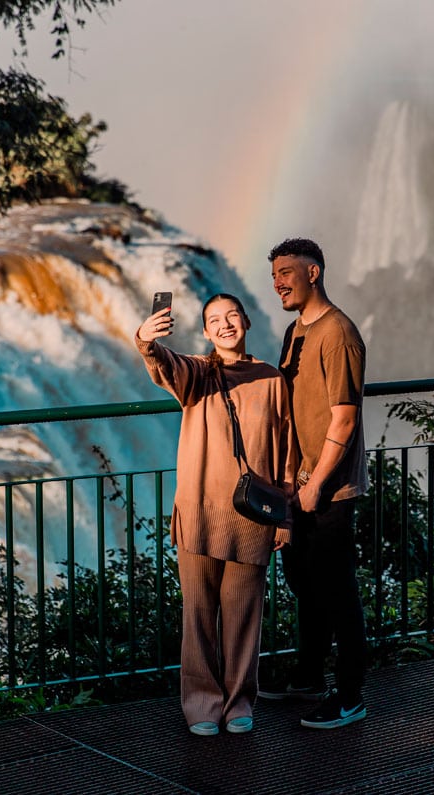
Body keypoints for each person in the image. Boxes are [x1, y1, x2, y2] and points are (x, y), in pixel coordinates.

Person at [135, 293, 295, 737]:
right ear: (205, 332)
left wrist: (285, 517)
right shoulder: (198, 374)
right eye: (214, 321)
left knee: (244, 616)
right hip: (201, 514)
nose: (225, 325)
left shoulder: (271, 379)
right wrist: (146, 342)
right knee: (199, 615)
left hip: (252, 517)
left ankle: (240, 701)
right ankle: (202, 704)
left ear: (246, 320)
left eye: (231, 316)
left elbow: (286, 452)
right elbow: (164, 366)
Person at [259, 237, 369, 729]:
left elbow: (344, 419)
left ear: (314, 272)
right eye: (275, 274)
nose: (278, 281)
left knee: (337, 591)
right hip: (298, 484)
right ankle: (307, 676)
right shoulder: (294, 332)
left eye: (286, 271)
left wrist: (318, 482)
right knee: (303, 583)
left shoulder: (338, 333)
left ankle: (350, 695)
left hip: (330, 489)